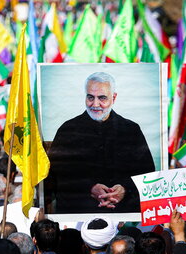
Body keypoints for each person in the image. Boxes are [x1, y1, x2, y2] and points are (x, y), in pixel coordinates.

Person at [47, 72, 155, 213]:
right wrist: (89, 188)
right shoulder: (68, 130)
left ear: (113, 98)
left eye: (102, 98)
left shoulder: (130, 129)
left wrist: (124, 189)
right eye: (90, 97)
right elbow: (55, 174)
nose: (95, 104)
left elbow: (147, 173)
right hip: (79, 210)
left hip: (123, 211)